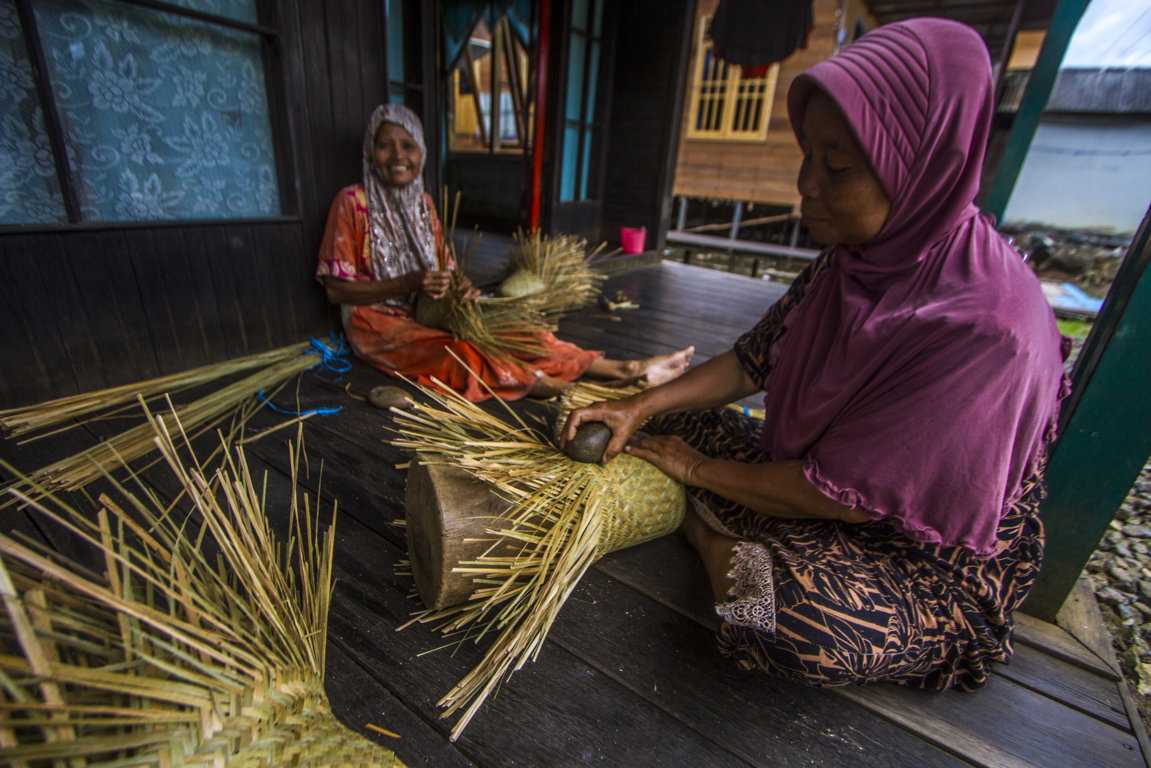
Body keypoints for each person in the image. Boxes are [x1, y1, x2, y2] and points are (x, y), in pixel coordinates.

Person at [563, 19, 1068, 689]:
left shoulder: (986, 329)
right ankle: (723, 511)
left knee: (775, 618)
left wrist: (698, 471)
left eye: (835, 168)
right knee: (624, 424)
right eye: (807, 155)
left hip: (918, 553)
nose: (805, 185)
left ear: (920, 165)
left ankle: (710, 533)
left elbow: (849, 501)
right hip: (808, 479)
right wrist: (637, 403)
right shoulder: (857, 258)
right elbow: (750, 362)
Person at [317, 104, 693, 402]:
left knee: (522, 332)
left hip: (428, 311)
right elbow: (336, 291)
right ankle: (556, 388)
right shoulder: (352, 203)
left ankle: (624, 369)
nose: (397, 155)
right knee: (462, 354)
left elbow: (443, 266)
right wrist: (408, 282)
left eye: (407, 145)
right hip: (378, 325)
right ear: (371, 152)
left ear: (422, 153)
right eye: (385, 145)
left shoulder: (424, 204)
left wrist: (460, 287)